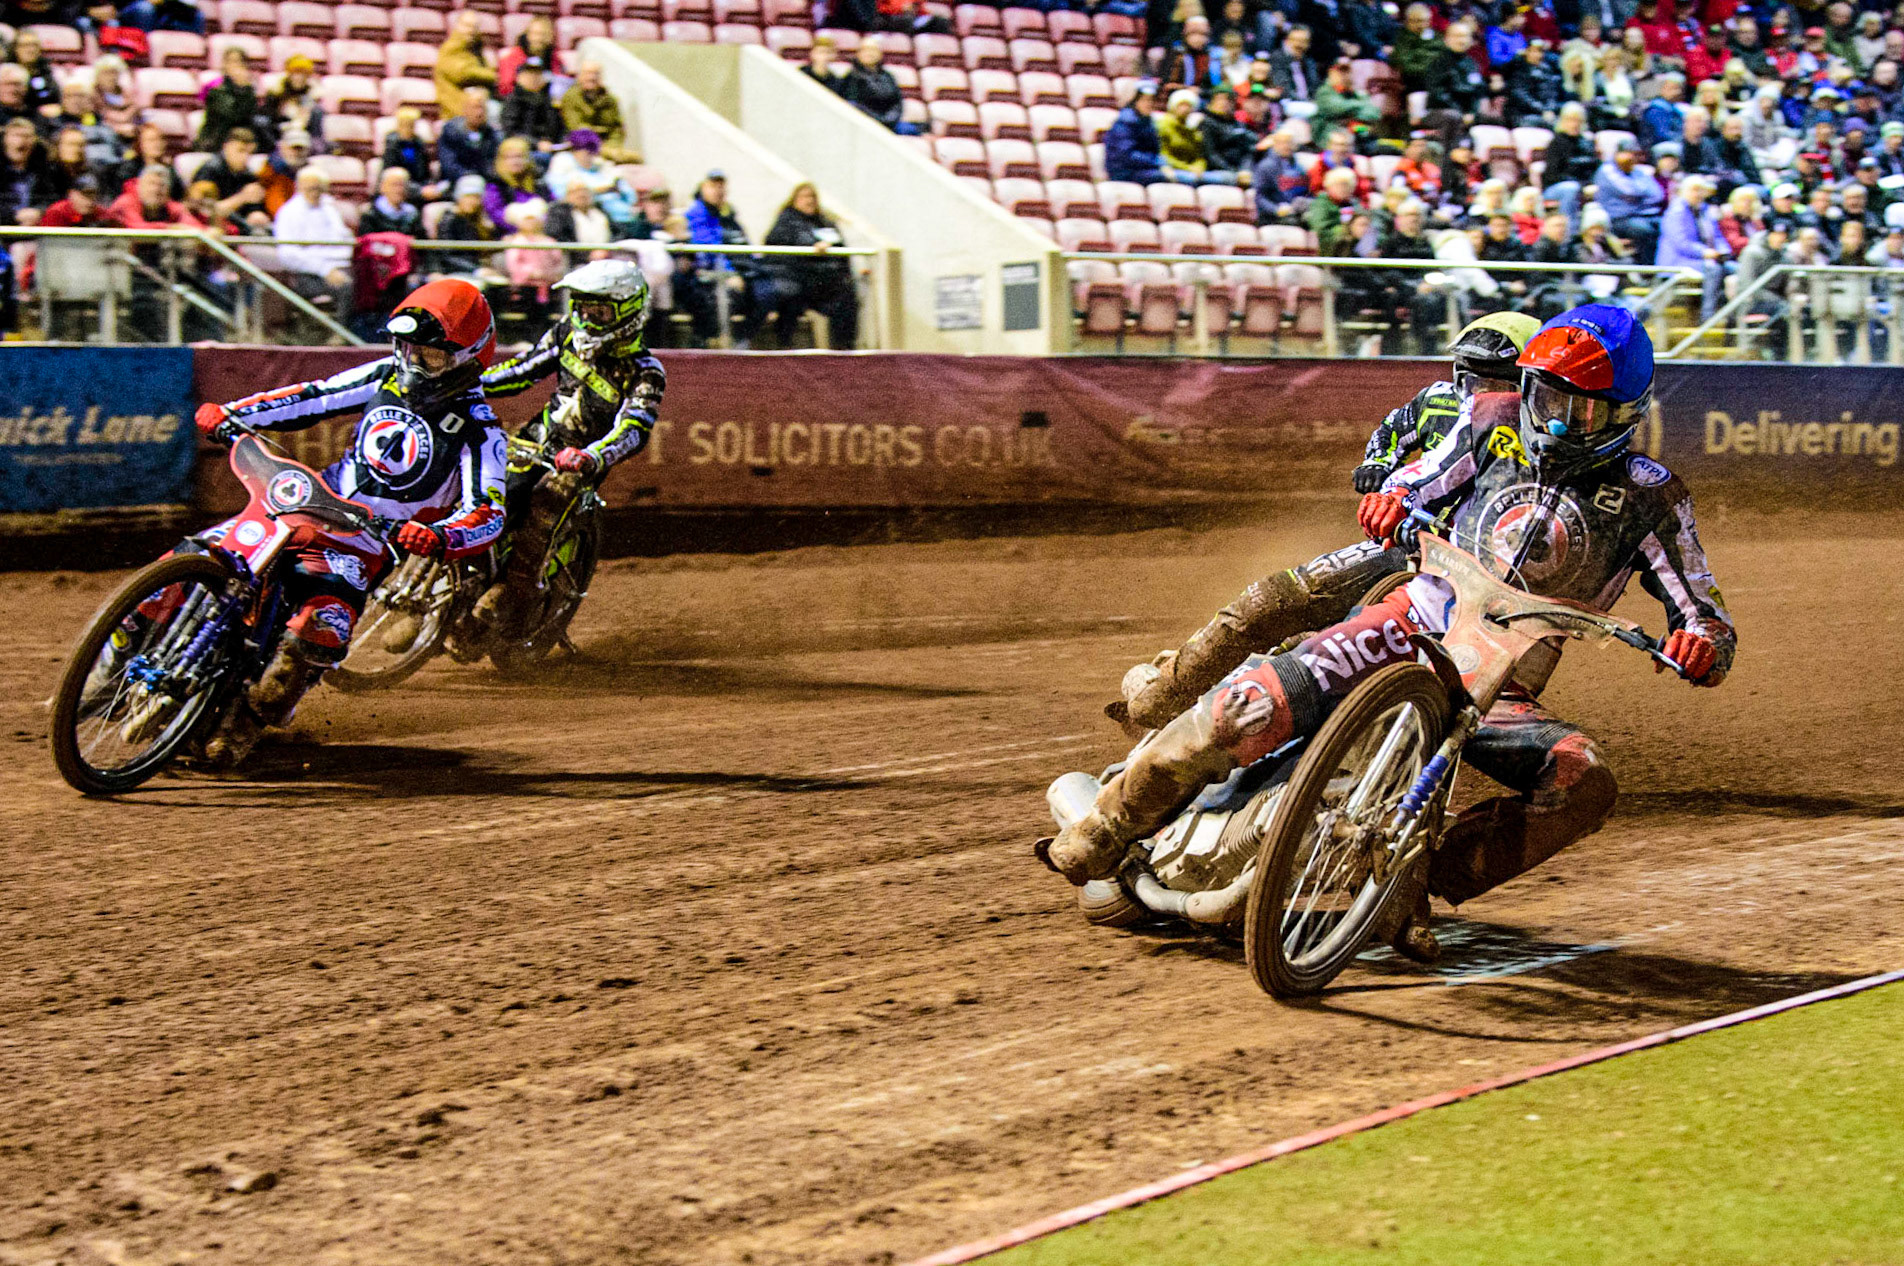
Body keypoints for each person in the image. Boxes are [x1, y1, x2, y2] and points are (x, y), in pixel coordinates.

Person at [1050, 306, 1735, 965]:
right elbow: (1418, 480)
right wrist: (1391, 500)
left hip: (1500, 684)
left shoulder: (1653, 497)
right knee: (1245, 705)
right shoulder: (1490, 422)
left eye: (1577, 409)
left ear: (1621, 417)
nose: (1553, 419)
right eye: (1544, 396)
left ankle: (1411, 882)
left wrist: (1701, 645)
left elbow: (1703, 609)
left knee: (1585, 781)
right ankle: (1106, 827)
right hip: (1407, 623)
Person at [1118, 313, 1540, 735]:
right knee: (1269, 602)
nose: (1483, 395)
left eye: (1499, 386)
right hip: (1408, 543)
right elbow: (1393, 430)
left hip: (1478, 574)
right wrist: (1377, 466)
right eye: (1473, 382)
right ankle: (1163, 696)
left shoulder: (1542, 439)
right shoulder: (1438, 400)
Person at [190, 279, 504, 767]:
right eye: (408, 349)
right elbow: (311, 398)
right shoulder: (385, 375)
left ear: (470, 357)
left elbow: (489, 511)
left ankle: (243, 726)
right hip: (307, 499)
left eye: (432, 356)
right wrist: (234, 413)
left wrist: (441, 536)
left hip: (364, 544)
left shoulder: (479, 428)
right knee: (198, 554)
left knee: (322, 628)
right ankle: (115, 659)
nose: (415, 363)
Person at [474, 259, 663, 637]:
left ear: (627, 310)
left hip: (576, 465)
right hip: (534, 441)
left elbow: (634, 429)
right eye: (582, 306)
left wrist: (592, 456)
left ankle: (514, 599)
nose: (587, 316)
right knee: (487, 494)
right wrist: (463, 384)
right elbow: (520, 371)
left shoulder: (646, 370)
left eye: (598, 309)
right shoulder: (564, 334)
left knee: (544, 509)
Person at [761, 181, 859, 349]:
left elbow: (842, 251)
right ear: (795, 200)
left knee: (847, 297)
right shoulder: (785, 223)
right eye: (805, 196)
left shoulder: (825, 223)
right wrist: (811, 249)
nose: (809, 201)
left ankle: (844, 350)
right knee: (791, 295)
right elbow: (776, 254)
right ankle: (784, 346)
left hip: (826, 283)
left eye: (812, 196)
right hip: (798, 280)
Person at [273, 165, 355, 316]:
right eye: (309, 188)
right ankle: (343, 337)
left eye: (318, 188)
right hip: (309, 274)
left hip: (341, 265)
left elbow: (343, 238)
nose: (314, 193)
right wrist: (325, 270)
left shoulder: (329, 209)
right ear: (298, 187)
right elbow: (288, 254)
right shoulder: (289, 213)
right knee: (348, 287)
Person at [1657, 173, 1728, 319]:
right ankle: (1708, 317)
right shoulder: (1675, 213)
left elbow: (1717, 236)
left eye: (1701, 190)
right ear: (1683, 191)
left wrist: (1723, 251)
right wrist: (1705, 252)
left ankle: (1732, 317)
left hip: (1706, 258)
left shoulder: (1705, 211)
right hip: (1679, 260)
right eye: (1694, 190)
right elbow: (1681, 243)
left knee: (1734, 268)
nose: (1698, 194)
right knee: (1713, 270)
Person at [1594, 136, 1665, 263]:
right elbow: (1628, 190)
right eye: (1627, 153)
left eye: (1634, 154)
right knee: (1645, 231)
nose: (1631, 157)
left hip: (1643, 215)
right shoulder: (1607, 169)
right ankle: (1647, 271)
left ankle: (1665, 268)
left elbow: (1657, 194)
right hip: (1618, 219)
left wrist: (1636, 198)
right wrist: (1641, 195)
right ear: (1617, 154)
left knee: (1667, 226)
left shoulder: (1637, 171)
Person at [560, 62, 637, 164]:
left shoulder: (610, 100)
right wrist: (600, 145)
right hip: (582, 147)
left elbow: (617, 129)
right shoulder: (570, 97)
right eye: (588, 73)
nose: (592, 77)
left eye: (596, 73)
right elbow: (576, 127)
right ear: (580, 76)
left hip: (609, 147)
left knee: (636, 160)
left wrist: (613, 146)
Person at [434, 173, 502, 278]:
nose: (473, 201)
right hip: (456, 271)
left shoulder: (479, 219)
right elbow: (448, 256)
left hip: (477, 268)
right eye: (468, 196)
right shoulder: (449, 220)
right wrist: (475, 270)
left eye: (477, 197)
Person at [436, 11, 499, 123]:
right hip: (457, 112)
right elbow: (461, 73)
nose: (471, 30)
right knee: (495, 111)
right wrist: (493, 76)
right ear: (457, 26)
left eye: (474, 27)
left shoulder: (475, 50)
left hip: (478, 109)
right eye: (467, 26)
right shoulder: (450, 48)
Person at [195, 46, 261, 151]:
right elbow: (234, 116)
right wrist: (244, 90)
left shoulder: (248, 90)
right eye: (232, 61)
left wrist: (245, 90)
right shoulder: (217, 90)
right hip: (214, 143)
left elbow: (252, 115)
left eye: (240, 62)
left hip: (241, 140)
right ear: (225, 65)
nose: (237, 66)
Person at [438, 87, 502, 190]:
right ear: (465, 110)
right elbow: (449, 165)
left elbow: (494, 163)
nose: (479, 113)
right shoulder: (451, 132)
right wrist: (473, 176)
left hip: (487, 182)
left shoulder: (493, 135)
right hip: (457, 182)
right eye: (475, 108)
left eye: (482, 108)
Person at [842, 40, 911, 134]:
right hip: (865, 125)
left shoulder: (888, 76)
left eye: (873, 50)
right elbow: (854, 105)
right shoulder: (851, 77)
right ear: (858, 54)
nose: (869, 53)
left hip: (890, 123)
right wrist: (879, 120)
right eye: (865, 50)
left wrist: (889, 120)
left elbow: (897, 102)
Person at [501, 56, 566, 151]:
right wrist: (536, 144)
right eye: (529, 73)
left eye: (537, 73)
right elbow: (511, 131)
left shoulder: (549, 99)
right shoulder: (514, 100)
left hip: (552, 148)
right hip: (526, 149)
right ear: (520, 76)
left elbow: (560, 127)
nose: (534, 77)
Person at [498, 14, 559, 98]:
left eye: (543, 35)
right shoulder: (512, 57)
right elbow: (504, 88)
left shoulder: (554, 58)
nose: (538, 39)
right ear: (528, 35)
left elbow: (560, 81)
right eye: (535, 34)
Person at [361, 166, 423, 236]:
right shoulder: (370, 214)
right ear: (382, 187)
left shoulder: (412, 214)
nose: (399, 190)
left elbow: (421, 240)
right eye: (394, 185)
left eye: (402, 185)